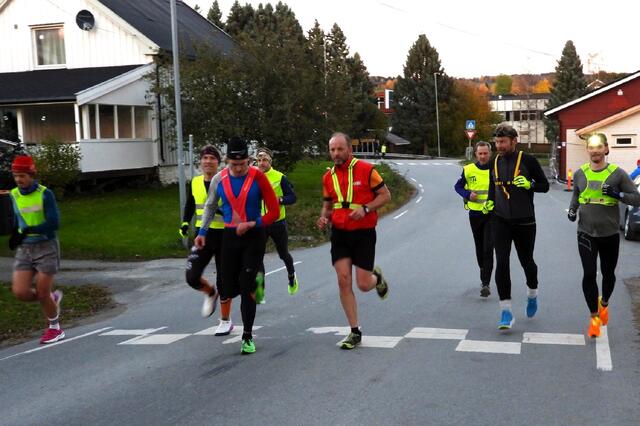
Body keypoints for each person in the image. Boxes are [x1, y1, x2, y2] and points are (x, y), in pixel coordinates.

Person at [195, 136, 280, 354]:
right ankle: (257, 275)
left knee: (246, 286)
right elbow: (210, 206)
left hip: (254, 235)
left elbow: (274, 211)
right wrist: (202, 231)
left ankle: (247, 336)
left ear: (249, 160)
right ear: (226, 162)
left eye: (243, 164)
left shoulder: (258, 177)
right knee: (227, 288)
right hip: (230, 236)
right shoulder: (219, 180)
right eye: (234, 164)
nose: (240, 168)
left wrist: (254, 223)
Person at [317, 132, 391, 350]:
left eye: (340, 149)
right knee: (343, 279)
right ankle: (354, 331)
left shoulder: (367, 170)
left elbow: (386, 195)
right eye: (332, 149)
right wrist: (323, 218)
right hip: (339, 233)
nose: (336, 153)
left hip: (364, 232)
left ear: (349, 149)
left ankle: (377, 279)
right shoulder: (327, 177)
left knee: (363, 284)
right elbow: (328, 205)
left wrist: (366, 208)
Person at [567, 133, 640, 337]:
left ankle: (604, 303)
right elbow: (576, 195)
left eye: (599, 147)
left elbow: (637, 199)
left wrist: (618, 195)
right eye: (592, 147)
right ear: (588, 150)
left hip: (609, 234)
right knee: (589, 274)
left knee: (608, 275)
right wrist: (573, 210)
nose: (595, 151)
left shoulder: (618, 174)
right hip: (586, 232)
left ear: (606, 149)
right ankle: (594, 318)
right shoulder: (580, 173)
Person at [486, 124, 549, 330]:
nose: (499, 146)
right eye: (497, 142)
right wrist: (489, 202)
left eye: (503, 142)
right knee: (501, 262)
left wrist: (530, 184)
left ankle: (532, 293)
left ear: (514, 141)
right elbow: (491, 188)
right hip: (500, 220)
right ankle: (506, 311)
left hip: (525, 221)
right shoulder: (495, 161)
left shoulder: (528, 160)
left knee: (526, 262)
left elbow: (545, 186)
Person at [9, 155, 64, 344]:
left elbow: (54, 222)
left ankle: (55, 328)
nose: (19, 180)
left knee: (41, 292)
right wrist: (15, 234)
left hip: (46, 247)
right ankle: (51, 300)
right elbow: (18, 218)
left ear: (32, 175)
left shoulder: (44, 193)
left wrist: (31, 230)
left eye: (22, 175)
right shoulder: (14, 194)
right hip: (25, 248)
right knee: (20, 292)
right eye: (16, 176)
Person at [181, 145, 223, 323]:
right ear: (200, 162)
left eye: (212, 158)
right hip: (202, 235)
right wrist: (184, 222)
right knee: (191, 277)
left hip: (224, 234)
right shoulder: (196, 182)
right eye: (205, 158)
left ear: (218, 163)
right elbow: (191, 203)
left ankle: (225, 320)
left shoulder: (225, 181)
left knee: (225, 279)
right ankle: (210, 292)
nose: (208, 161)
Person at [254, 147, 299, 304]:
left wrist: (279, 200)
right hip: (260, 223)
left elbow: (293, 197)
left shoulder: (280, 177)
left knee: (283, 254)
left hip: (277, 222)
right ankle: (260, 290)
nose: (261, 163)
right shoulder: (252, 177)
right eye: (259, 160)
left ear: (270, 161)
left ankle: (292, 277)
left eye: (264, 159)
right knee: (257, 256)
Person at [454, 141, 494, 297]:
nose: (483, 156)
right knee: (479, 248)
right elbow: (457, 186)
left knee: (488, 248)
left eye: (485, 153)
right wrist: (467, 194)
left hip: (492, 214)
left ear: (490, 153)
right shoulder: (468, 169)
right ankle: (483, 273)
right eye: (480, 153)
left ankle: (486, 283)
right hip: (475, 214)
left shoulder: (495, 169)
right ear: (476, 154)